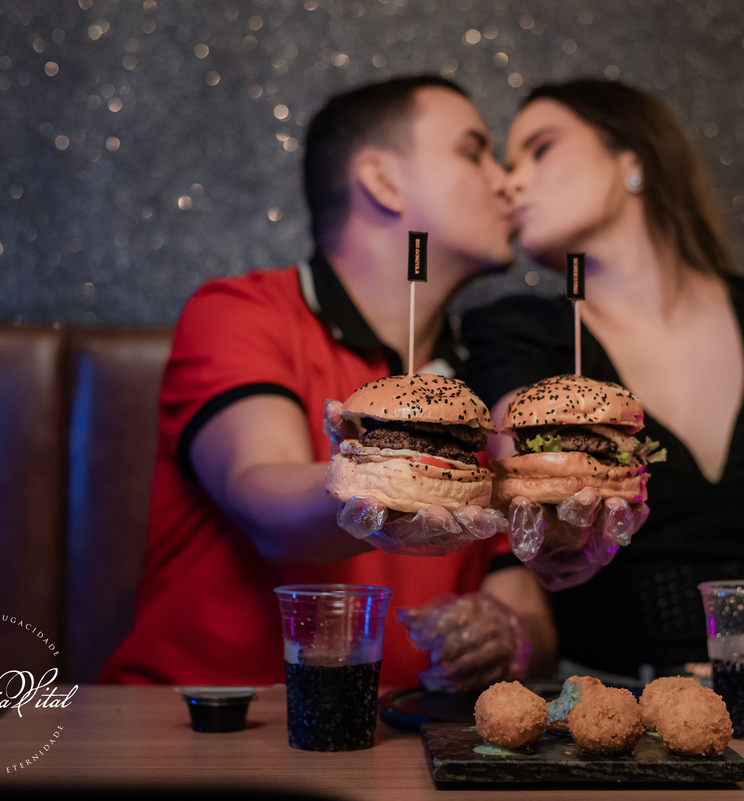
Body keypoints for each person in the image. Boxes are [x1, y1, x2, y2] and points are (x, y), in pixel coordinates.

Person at [100, 76, 556, 690]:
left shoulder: (479, 384)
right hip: (200, 728)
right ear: (382, 181)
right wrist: (399, 475)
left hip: (397, 750)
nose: (505, 181)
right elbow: (261, 497)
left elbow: (523, 600)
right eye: (473, 151)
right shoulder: (241, 311)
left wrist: (507, 632)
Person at [462, 80, 744, 679]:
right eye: (506, 165)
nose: (511, 182)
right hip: (609, 698)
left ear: (634, 158)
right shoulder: (516, 328)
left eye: (539, 150)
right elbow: (526, 464)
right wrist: (554, 540)